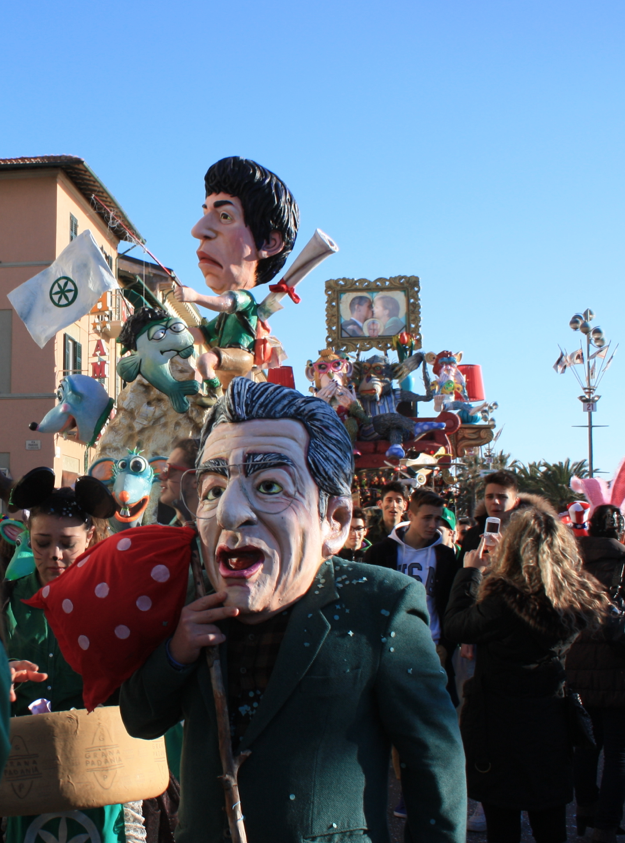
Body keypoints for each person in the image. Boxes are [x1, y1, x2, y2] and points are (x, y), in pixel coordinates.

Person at [120, 378, 467, 843]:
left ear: (336, 522)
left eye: (268, 485)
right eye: (213, 489)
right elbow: (139, 719)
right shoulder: (189, 599)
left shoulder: (381, 606)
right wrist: (176, 653)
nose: (229, 512)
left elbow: (434, 762)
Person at [445, 505, 610, 843]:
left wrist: (471, 573)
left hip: (499, 722)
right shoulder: (573, 597)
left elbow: (456, 625)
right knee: (549, 818)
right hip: (550, 717)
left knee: (502, 822)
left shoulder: (504, 600)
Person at [3, 485, 126, 843]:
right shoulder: (7, 598)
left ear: (89, 537)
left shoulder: (116, 599)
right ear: (28, 536)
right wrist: (2, 674)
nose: (54, 555)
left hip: (97, 758)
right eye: (42, 542)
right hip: (26, 759)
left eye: (67, 543)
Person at [173, 157, 299, 395]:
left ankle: (211, 389)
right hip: (225, 363)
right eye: (205, 213)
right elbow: (201, 334)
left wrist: (194, 296)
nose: (197, 230)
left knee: (205, 362)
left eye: (225, 216)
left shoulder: (243, 299)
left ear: (270, 243)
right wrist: (170, 333)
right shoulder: (222, 322)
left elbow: (223, 304)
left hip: (238, 356)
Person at [566, 504, 625, 843]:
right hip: (618, 671)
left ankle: (585, 807)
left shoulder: (572, 566)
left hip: (577, 666)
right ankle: (605, 825)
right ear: (618, 531)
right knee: (617, 753)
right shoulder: (622, 564)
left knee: (586, 745)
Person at [458, 471, 521, 563]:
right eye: (489, 497)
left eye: (502, 497)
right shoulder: (472, 535)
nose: (495, 501)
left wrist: (502, 556)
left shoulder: (527, 535)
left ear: (516, 502)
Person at [159, 438, 200, 525]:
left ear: (196, 480)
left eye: (170, 470)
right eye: (164, 469)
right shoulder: (165, 535)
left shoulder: (215, 536)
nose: (161, 477)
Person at [365, 480, 408, 545]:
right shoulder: (369, 536)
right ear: (380, 504)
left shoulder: (412, 534)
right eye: (389, 500)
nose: (393, 505)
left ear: (405, 506)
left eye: (398, 501)